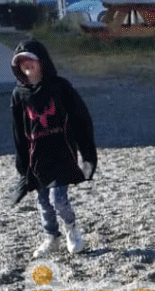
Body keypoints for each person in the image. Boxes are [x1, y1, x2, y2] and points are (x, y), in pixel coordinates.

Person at [11, 38, 97, 257]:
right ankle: (51, 238)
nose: (26, 65)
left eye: (31, 59)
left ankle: (72, 230)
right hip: (37, 158)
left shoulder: (60, 88)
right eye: (21, 62)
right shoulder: (19, 95)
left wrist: (88, 155)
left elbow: (81, 120)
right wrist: (22, 166)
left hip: (62, 153)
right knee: (43, 203)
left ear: (42, 61)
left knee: (57, 199)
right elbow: (19, 133)